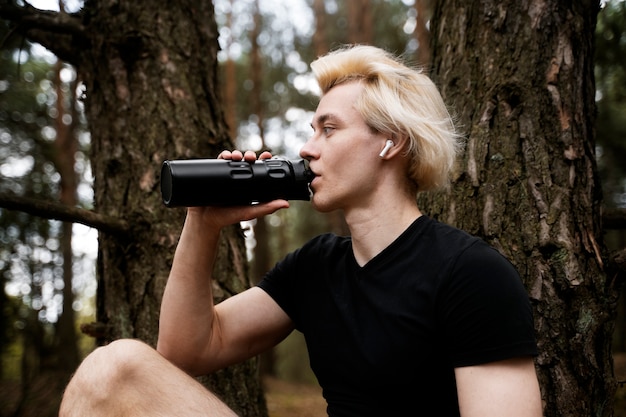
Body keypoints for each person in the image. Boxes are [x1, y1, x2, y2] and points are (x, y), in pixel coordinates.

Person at [59, 45, 542, 417]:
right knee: (113, 367)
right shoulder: (316, 267)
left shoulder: (469, 274)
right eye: (311, 130)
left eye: (328, 129)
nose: (307, 149)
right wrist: (203, 223)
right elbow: (187, 350)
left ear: (391, 143)